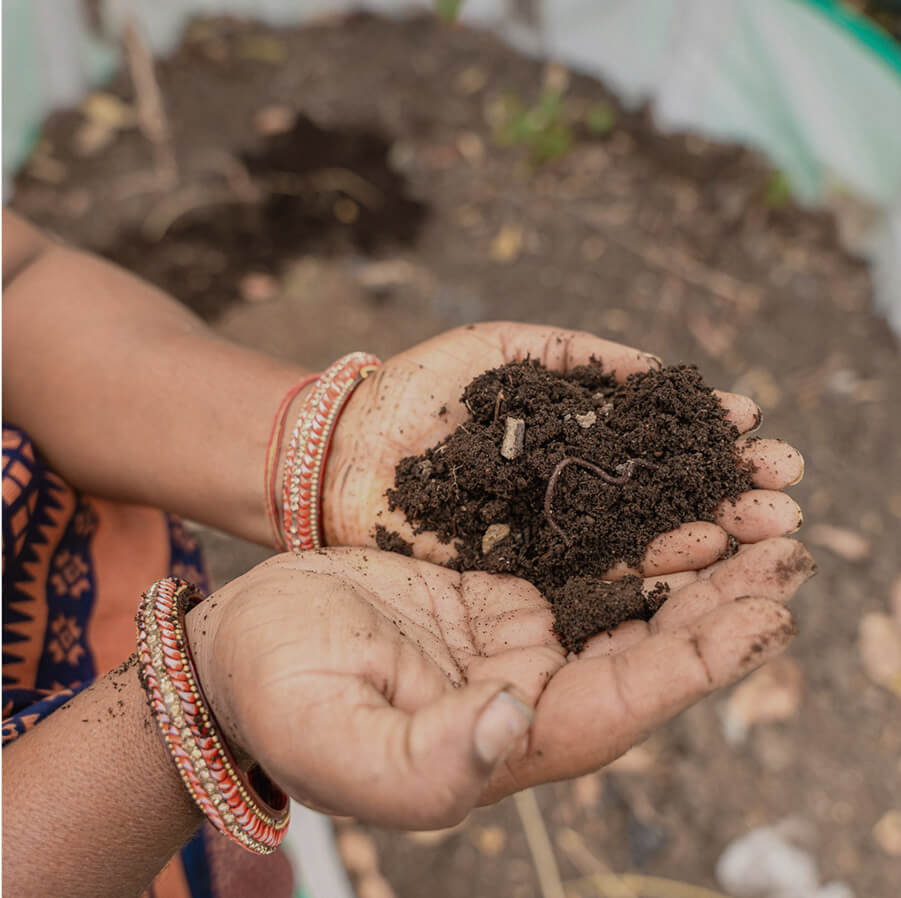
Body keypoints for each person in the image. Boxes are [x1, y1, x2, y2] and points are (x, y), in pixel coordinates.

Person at [1, 208, 813, 898]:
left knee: (252, 866)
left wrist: (316, 454)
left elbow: (17, 281)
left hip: (107, 578)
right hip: (85, 823)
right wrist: (196, 700)